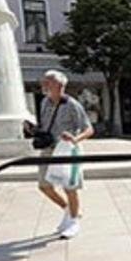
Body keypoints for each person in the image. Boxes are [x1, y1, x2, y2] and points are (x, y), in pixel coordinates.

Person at [26, 70, 93, 239]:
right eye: (44, 81)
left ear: (60, 85)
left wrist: (74, 139)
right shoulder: (44, 103)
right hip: (48, 149)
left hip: (66, 150)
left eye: (49, 82)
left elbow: (89, 129)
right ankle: (69, 210)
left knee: (69, 187)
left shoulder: (72, 105)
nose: (44, 84)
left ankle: (73, 221)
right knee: (44, 185)